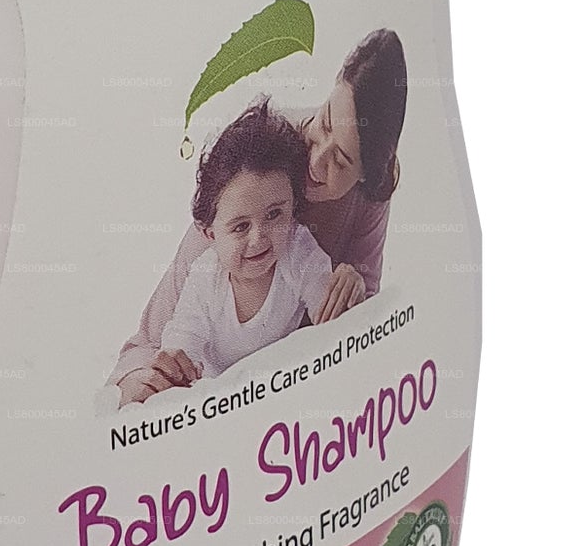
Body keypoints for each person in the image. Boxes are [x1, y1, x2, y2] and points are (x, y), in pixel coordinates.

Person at [112, 28, 408, 405]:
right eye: (325, 122)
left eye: (341, 160)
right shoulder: (255, 169)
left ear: (366, 176)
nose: (317, 160)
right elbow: (153, 344)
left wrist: (353, 293)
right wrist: (146, 379)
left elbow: (357, 329)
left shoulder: (358, 206)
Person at [159, 102, 338, 381]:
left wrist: (343, 296)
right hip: (223, 393)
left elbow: (331, 316)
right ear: (211, 234)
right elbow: (184, 335)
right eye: (241, 227)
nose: (258, 238)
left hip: (282, 382)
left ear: (293, 207)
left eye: (274, 214)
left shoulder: (297, 249)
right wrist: (177, 364)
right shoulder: (206, 277)